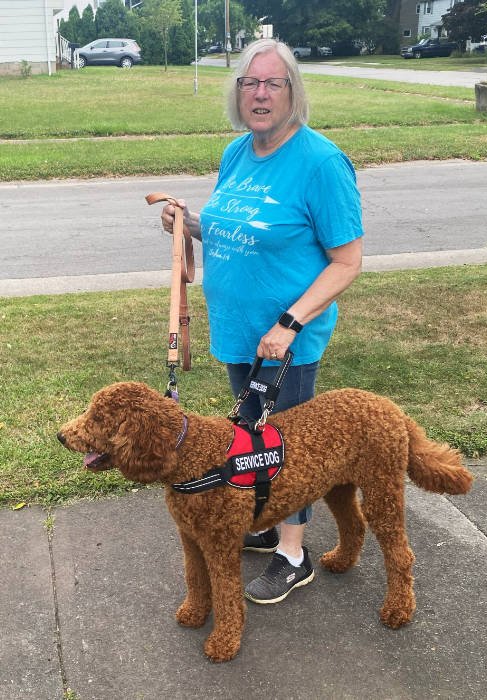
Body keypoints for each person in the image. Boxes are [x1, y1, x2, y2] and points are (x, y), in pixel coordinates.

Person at [161, 38, 364, 605]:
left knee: (286, 446)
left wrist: (290, 324)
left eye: (273, 83)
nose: (260, 93)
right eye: (250, 83)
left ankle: (293, 554)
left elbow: (348, 262)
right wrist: (189, 224)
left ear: (293, 92)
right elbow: (237, 228)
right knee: (251, 436)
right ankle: (269, 521)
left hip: (284, 341)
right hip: (236, 330)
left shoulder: (321, 163)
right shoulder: (237, 152)